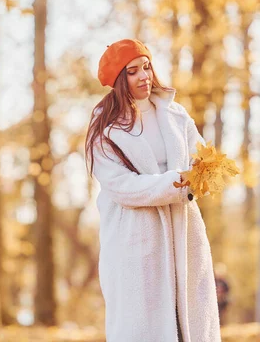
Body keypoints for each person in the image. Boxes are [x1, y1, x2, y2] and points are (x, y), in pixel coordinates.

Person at [85, 39, 221, 342]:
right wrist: (177, 183)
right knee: (143, 327)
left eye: (146, 67)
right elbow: (123, 188)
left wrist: (205, 172)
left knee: (191, 322)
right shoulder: (105, 127)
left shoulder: (176, 115)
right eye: (133, 71)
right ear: (120, 79)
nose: (144, 76)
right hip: (136, 237)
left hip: (184, 230)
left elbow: (199, 161)